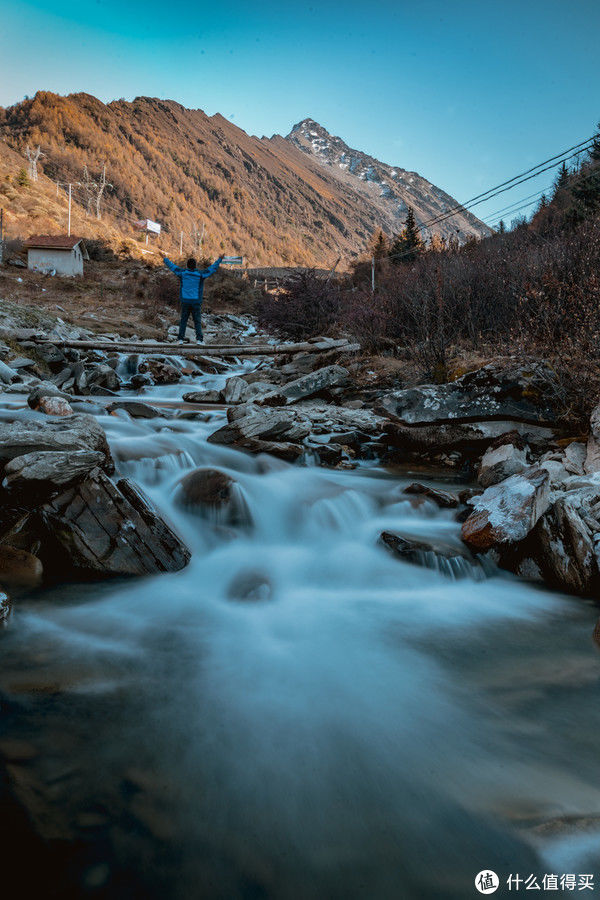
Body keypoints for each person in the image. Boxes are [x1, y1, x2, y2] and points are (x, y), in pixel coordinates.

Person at [163, 255, 223, 343]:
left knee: (183, 320)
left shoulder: (182, 273)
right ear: (195, 266)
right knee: (197, 321)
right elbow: (211, 269)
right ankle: (199, 340)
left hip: (185, 301)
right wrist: (219, 260)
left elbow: (172, 267)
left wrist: (165, 259)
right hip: (196, 302)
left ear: (187, 265)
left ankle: (180, 339)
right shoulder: (200, 274)